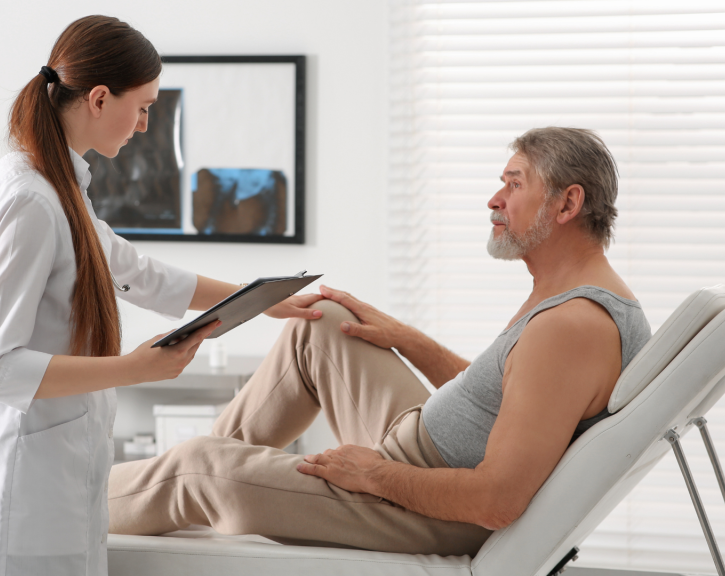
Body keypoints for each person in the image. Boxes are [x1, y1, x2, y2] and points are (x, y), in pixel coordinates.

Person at [107, 127, 653, 556]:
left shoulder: (571, 326)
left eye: (514, 183)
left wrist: (378, 475)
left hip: (431, 505)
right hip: (420, 452)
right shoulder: (571, 297)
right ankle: (175, 496)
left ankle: (73, 500)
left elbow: (497, 500)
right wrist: (409, 341)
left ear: (567, 204)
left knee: (197, 469)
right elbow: (513, 401)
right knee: (321, 319)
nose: (495, 199)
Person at [0, 16, 322, 576]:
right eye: (141, 107)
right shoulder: (31, 202)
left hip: (53, 472)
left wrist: (265, 299)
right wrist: (133, 369)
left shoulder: (59, 188)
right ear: (97, 98)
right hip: (19, 481)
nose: (144, 125)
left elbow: (138, 272)